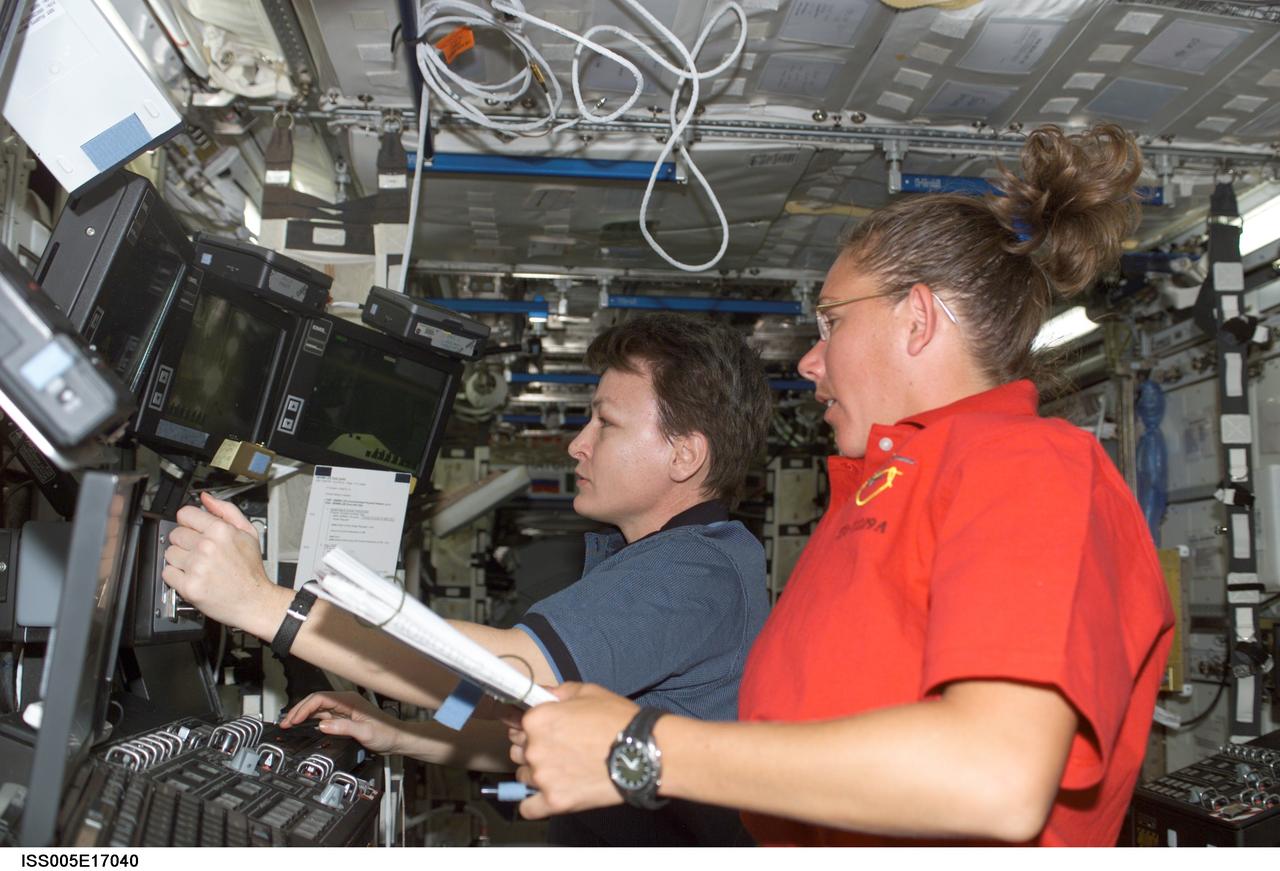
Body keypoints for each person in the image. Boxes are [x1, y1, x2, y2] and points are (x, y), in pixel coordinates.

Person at [507, 123, 1176, 846]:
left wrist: (642, 746)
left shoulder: (1028, 467)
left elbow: (994, 775)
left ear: (917, 318)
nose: (809, 361)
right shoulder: (874, 495)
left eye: (830, 323)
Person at [160, 312, 773, 846]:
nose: (577, 445)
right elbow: (528, 716)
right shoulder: (676, 558)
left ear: (684, 454)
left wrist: (265, 606)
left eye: (605, 423)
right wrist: (405, 735)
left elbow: (509, 673)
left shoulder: (692, 571)